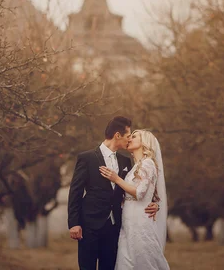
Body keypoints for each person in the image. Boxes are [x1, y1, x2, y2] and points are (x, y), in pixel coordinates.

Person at [68, 116, 160, 270]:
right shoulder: (87, 158)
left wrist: (155, 204)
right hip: (89, 224)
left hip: (115, 226)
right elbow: (75, 191)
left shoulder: (125, 161)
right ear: (118, 135)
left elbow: (135, 189)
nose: (129, 139)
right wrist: (74, 223)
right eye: (128, 136)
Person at [99, 129, 169, 270]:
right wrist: (155, 204)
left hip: (140, 221)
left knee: (144, 260)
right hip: (128, 221)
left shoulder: (148, 163)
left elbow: (140, 192)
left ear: (144, 142)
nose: (129, 138)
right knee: (126, 262)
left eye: (134, 136)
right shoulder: (136, 166)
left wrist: (116, 178)